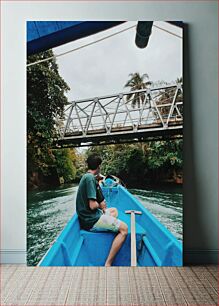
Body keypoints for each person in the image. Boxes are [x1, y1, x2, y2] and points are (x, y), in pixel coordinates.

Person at [76, 154, 128, 266]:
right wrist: (102, 206)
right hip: (91, 221)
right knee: (124, 229)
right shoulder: (90, 179)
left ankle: (109, 223)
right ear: (99, 166)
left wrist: (103, 208)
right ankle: (108, 264)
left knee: (114, 210)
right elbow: (92, 205)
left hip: (91, 216)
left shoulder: (87, 177)